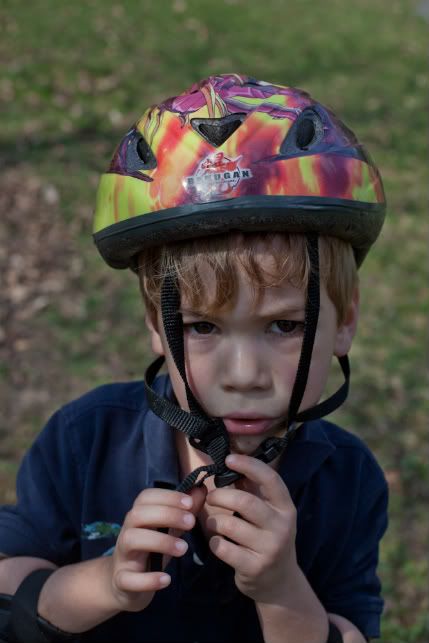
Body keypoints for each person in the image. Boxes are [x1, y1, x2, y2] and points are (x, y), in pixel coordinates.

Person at [0, 74, 388, 643]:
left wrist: (282, 590)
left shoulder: (346, 481)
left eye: (285, 325)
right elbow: (11, 579)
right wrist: (105, 585)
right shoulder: (87, 439)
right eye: (202, 326)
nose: (243, 377)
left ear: (345, 321)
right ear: (158, 325)